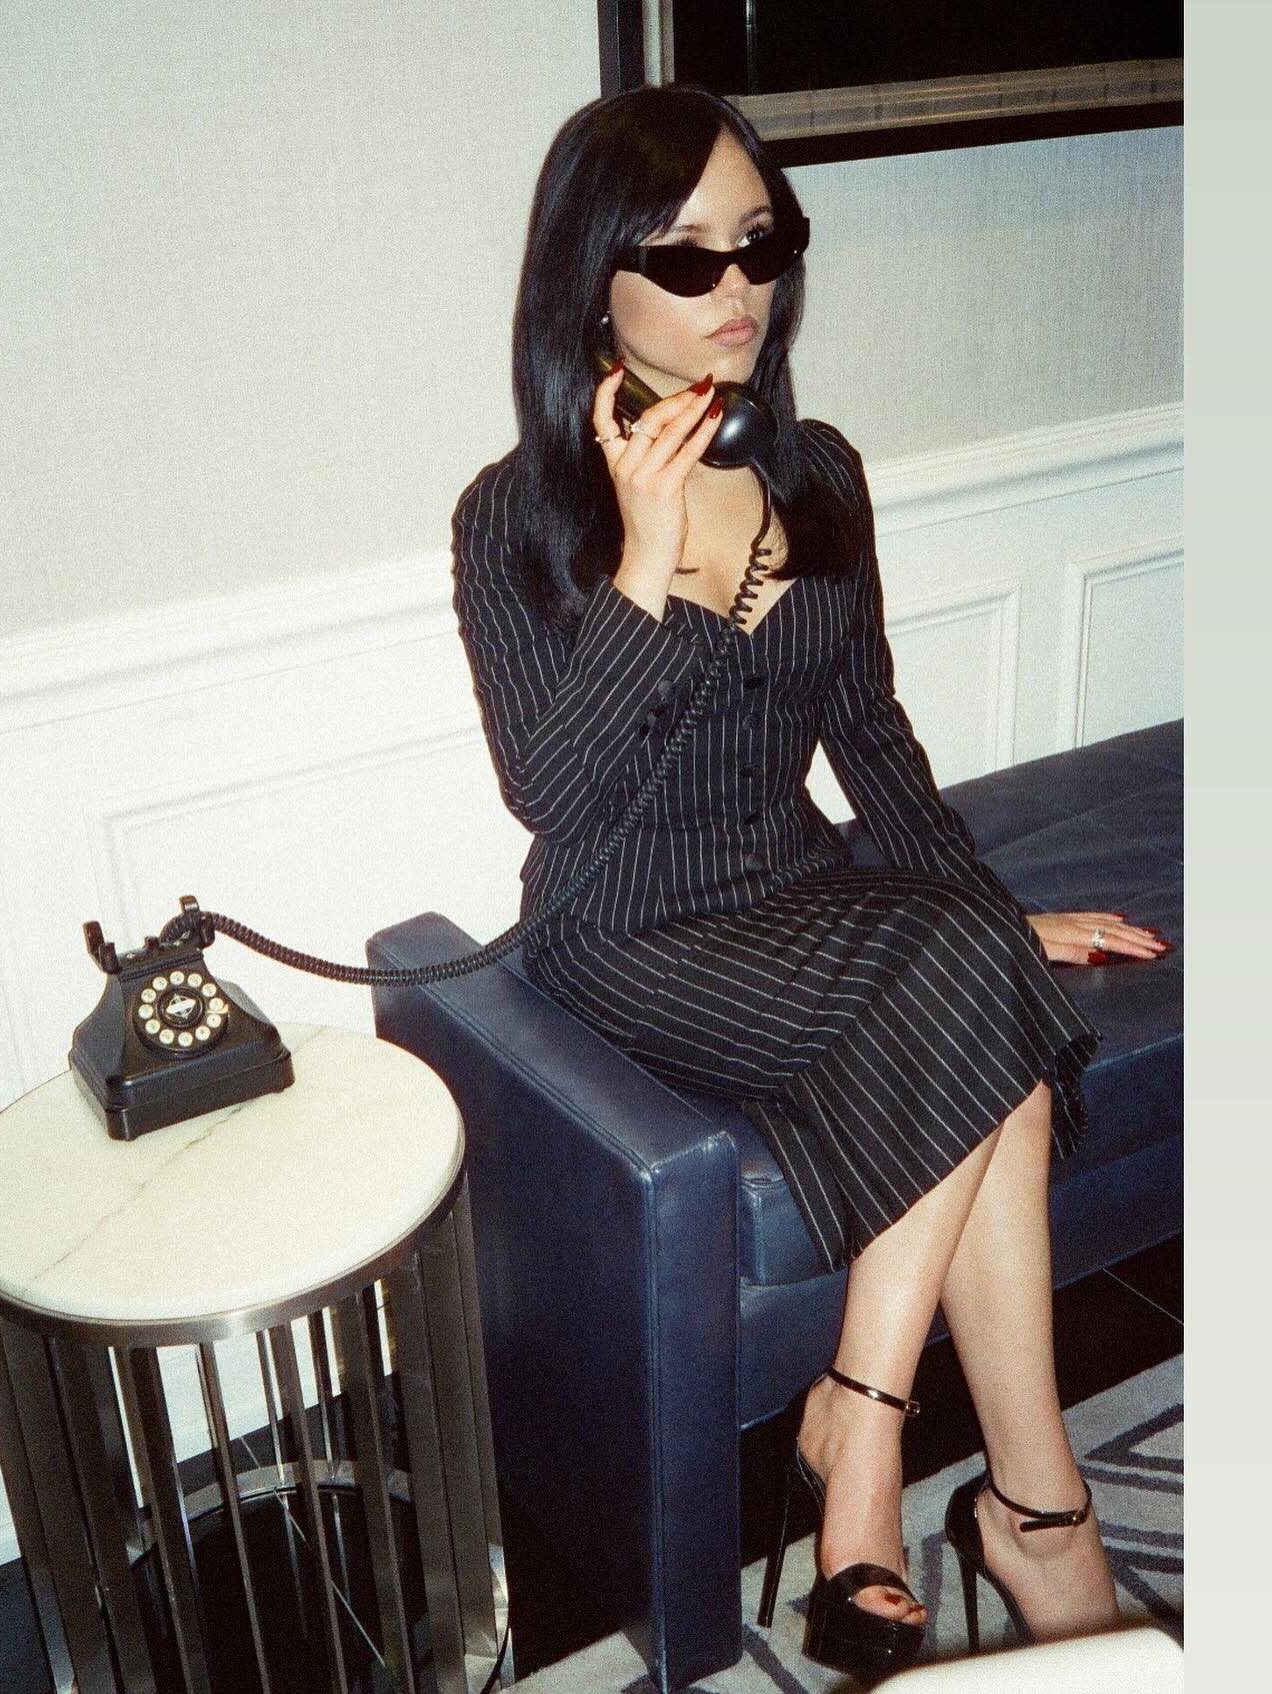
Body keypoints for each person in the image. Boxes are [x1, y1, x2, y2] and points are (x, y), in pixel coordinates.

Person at [450, 85, 1165, 1679]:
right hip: (623, 927)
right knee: (981, 1006)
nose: (740, 290)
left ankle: (962, 1469)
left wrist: (990, 913)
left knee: (990, 1007)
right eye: (687, 257)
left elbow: (874, 738)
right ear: (592, 284)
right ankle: (952, 1480)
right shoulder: (515, 518)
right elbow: (553, 794)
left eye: (762, 245)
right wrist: (645, 557)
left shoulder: (819, 473)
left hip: (795, 889)